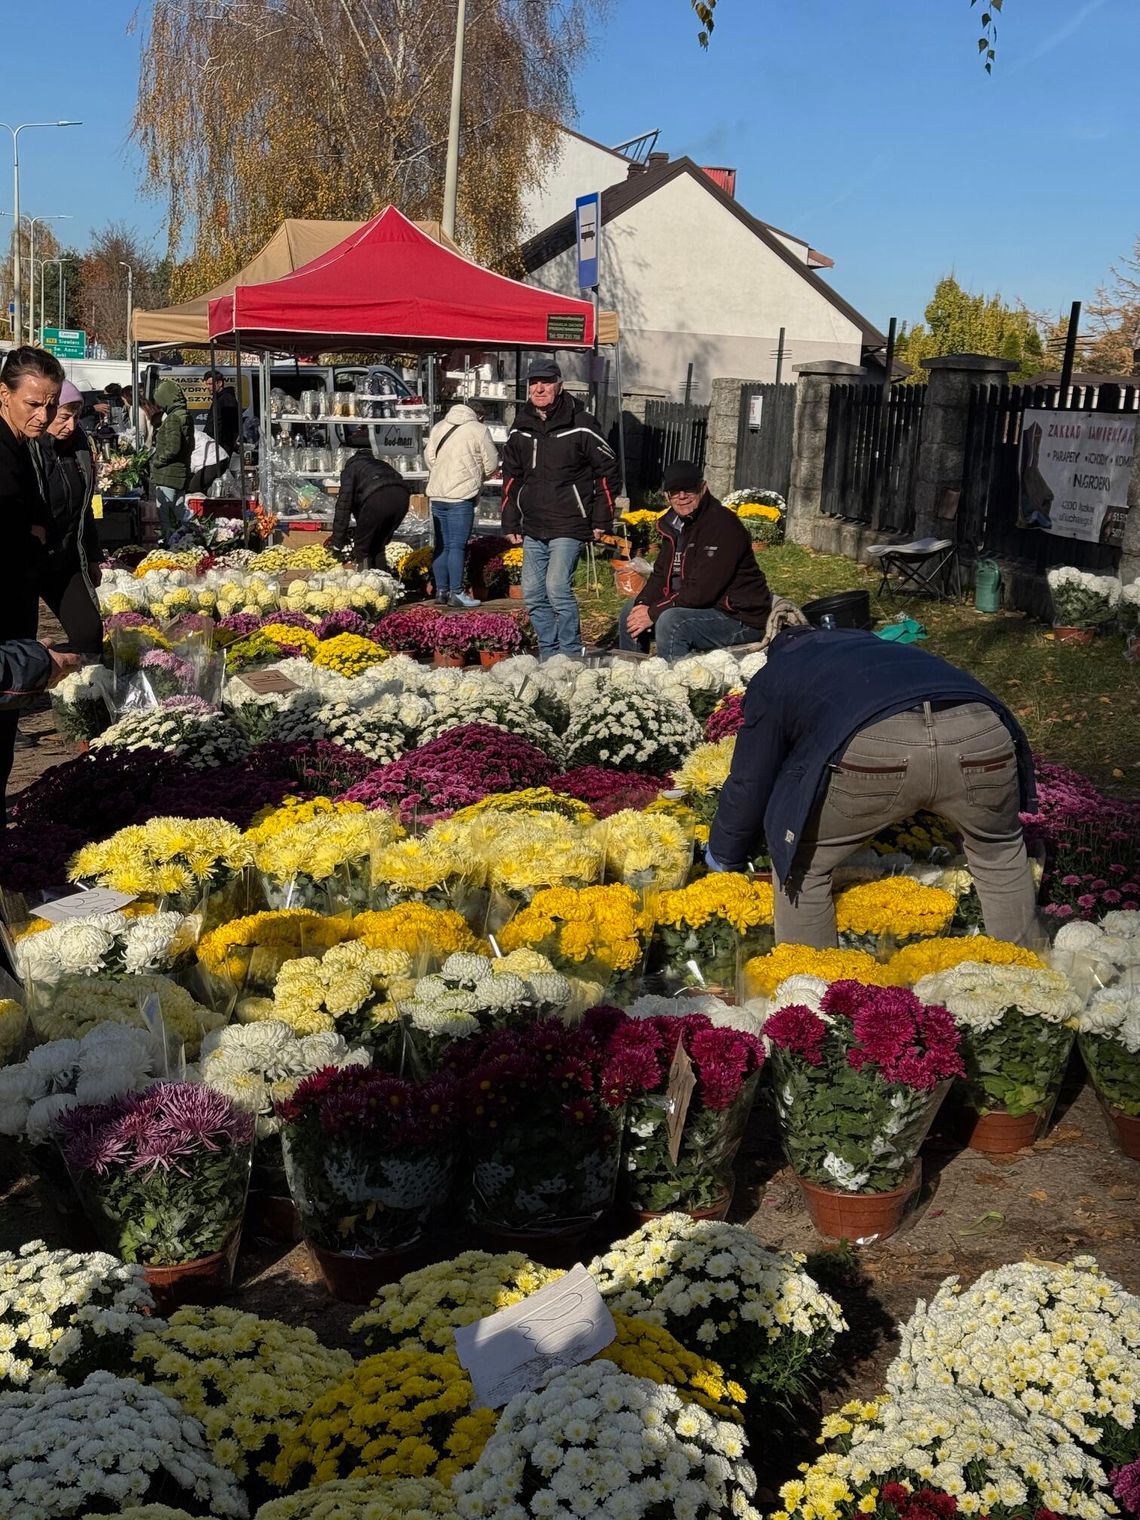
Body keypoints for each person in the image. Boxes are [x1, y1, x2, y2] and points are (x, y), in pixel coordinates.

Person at [706, 625, 1040, 949]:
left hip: (876, 743)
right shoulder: (890, 649)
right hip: (982, 729)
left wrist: (724, 855)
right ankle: (1027, 979)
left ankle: (811, 989)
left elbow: (751, 778)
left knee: (802, 867)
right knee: (999, 852)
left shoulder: (779, 671)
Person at [501, 358, 618, 659]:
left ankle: (569, 654)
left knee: (557, 589)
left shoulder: (582, 424)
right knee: (533, 593)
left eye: (546, 381)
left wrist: (602, 518)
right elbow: (512, 477)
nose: (539, 388)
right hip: (533, 524)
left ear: (559, 385)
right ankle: (548, 652)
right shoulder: (521, 426)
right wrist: (510, 520)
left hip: (569, 522)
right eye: (533, 383)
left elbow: (607, 470)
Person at [619, 460, 773, 661]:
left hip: (737, 615)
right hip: (695, 605)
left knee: (672, 622)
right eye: (674, 491)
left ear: (703, 488)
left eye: (688, 489)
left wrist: (653, 612)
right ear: (666, 495)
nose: (682, 497)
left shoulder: (721, 525)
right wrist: (643, 604)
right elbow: (660, 576)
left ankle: (675, 687)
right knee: (630, 613)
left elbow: (702, 592)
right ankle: (632, 682)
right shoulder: (671, 524)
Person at [0, 345, 65, 815]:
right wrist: (30, 537)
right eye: (33, 403)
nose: (44, 415)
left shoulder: (22, 445)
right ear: (4, 394)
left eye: (51, 403)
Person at [31, 380, 104, 656]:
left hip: (66, 557)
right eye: (64, 417)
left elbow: (84, 509)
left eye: (76, 416)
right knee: (21, 642)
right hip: (29, 558)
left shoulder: (80, 448)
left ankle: (85, 692)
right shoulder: (26, 448)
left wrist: (93, 557)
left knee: (90, 632)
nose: (71, 425)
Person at [426, 398, 499, 607]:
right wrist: (478, 476)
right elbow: (492, 463)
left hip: (438, 494)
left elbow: (430, 458)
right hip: (461, 495)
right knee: (457, 546)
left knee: (442, 545)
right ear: (479, 415)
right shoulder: (479, 429)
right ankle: (457, 593)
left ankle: (441, 591)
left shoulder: (439, 426)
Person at [330, 450, 411, 569]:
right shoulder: (381, 465)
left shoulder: (351, 469)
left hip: (377, 497)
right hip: (402, 496)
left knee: (362, 547)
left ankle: (366, 582)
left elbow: (343, 506)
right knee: (378, 545)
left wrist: (337, 542)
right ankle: (383, 580)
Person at [150, 378, 194, 542]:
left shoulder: (173, 418)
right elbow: (188, 446)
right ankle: (194, 535)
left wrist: (157, 461)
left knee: (166, 513)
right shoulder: (186, 416)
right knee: (180, 511)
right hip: (180, 472)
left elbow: (172, 447)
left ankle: (171, 543)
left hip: (167, 474)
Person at [202, 369, 241, 459]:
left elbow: (228, 428)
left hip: (221, 447)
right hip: (216, 446)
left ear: (219, 383)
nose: (207, 387)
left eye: (210, 384)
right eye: (206, 384)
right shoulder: (220, 399)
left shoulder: (226, 400)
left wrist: (222, 446)